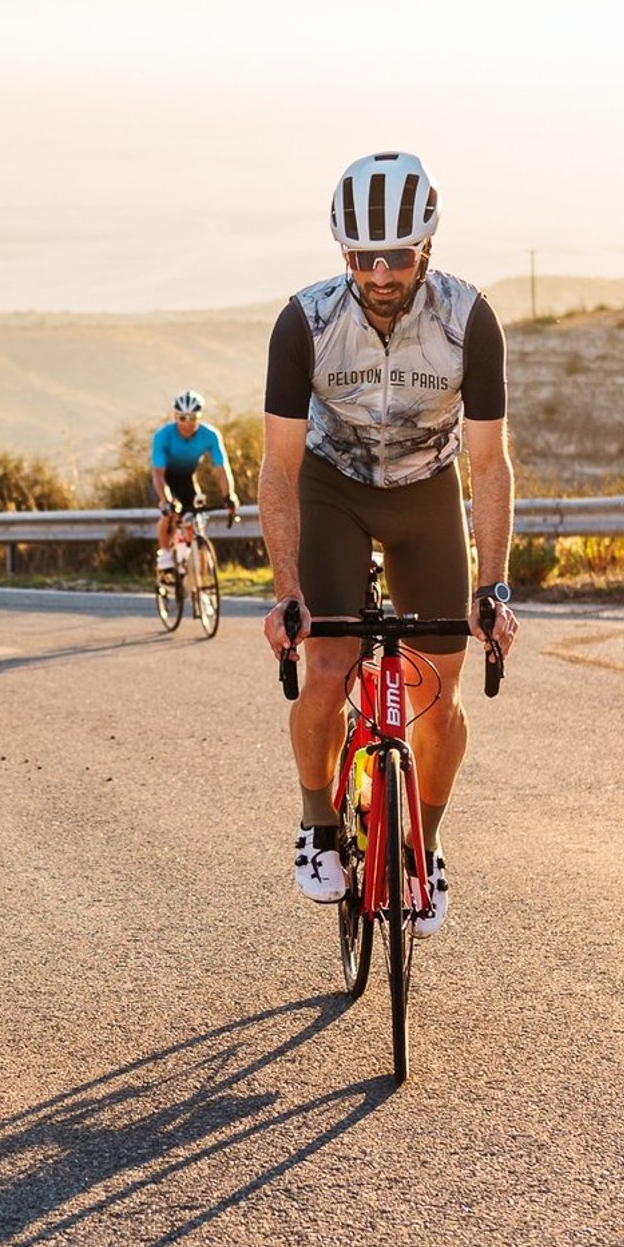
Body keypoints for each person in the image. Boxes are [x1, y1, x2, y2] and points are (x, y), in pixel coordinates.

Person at [259, 152, 518, 934]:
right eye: (363, 257)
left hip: (425, 495)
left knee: (440, 693)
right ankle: (318, 823)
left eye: (397, 257)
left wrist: (493, 586)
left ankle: (424, 847)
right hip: (331, 489)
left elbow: (488, 463)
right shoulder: (303, 321)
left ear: (426, 250)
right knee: (329, 664)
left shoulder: (467, 318)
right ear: (344, 254)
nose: (379, 273)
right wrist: (288, 594)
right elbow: (277, 465)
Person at [148, 391, 239, 563]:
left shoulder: (210, 435)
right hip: (163, 479)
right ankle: (166, 554)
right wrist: (165, 500)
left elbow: (221, 469)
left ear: (199, 417)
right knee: (169, 512)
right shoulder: (163, 435)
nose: (187, 423)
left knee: (195, 519)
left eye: (192, 418)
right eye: (182, 418)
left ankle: (191, 563)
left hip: (186, 478)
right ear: (175, 417)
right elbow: (158, 474)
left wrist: (229, 496)